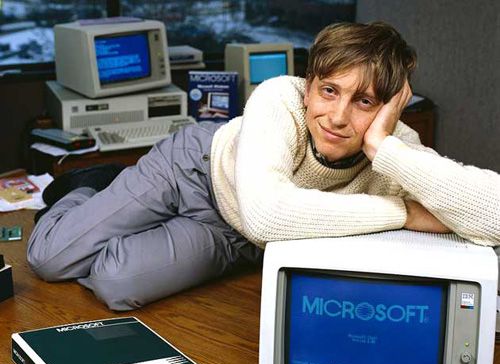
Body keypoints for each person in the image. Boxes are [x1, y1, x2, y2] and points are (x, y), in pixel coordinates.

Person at [28, 22, 500, 311]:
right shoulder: (280, 96)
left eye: (365, 101)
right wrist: (404, 212)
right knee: (50, 258)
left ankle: (117, 209)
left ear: (389, 109)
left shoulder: (397, 146)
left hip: (239, 232)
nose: (337, 117)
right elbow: (271, 214)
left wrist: (384, 146)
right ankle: (90, 188)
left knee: (115, 283)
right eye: (329, 90)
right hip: (196, 169)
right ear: (308, 83)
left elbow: (495, 213)